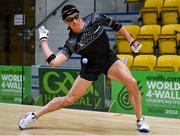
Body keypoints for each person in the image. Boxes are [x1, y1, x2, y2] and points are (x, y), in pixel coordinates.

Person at [18, 4, 150, 133]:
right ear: (66, 22)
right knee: (69, 99)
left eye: (76, 16)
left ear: (79, 14)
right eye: (70, 19)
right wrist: (43, 40)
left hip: (108, 59)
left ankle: (140, 120)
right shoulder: (72, 42)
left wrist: (131, 41)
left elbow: (117, 26)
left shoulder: (95, 18)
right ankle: (33, 115)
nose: (75, 21)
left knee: (132, 83)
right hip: (90, 67)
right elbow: (54, 62)